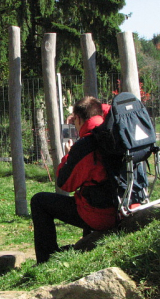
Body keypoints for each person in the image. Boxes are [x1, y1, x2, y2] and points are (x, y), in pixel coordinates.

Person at [31, 96, 116, 263]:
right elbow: (109, 110)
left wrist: (69, 154)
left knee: (39, 201)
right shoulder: (112, 133)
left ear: (78, 119)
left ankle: (46, 259)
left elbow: (64, 183)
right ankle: (86, 247)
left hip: (99, 215)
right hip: (122, 207)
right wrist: (92, 108)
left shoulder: (86, 145)